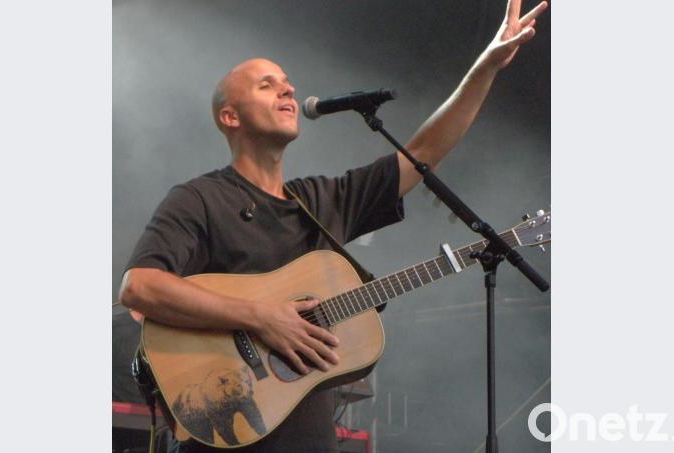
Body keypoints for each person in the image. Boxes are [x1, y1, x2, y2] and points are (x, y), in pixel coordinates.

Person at [119, 1, 547, 451]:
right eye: (268, 86)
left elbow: (423, 153)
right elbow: (140, 287)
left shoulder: (322, 200)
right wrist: (262, 317)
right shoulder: (200, 199)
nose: (288, 92)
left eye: (288, 84)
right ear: (231, 116)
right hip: (225, 430)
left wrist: (487, 66)